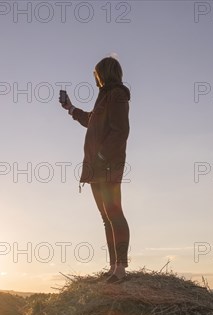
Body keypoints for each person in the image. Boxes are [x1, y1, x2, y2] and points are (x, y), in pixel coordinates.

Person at [59, 56, 131, 283]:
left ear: (104, 73)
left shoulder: (117, 95)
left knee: (114, 213)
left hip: (107, 166)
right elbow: (91, 120)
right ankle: (112, 267)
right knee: (105, 216)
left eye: (97, 74)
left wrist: (101, 156)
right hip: (95, 167)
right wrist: (70, 108)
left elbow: (121, 131)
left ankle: (121, 268)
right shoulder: (104, 97)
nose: (95, 78)